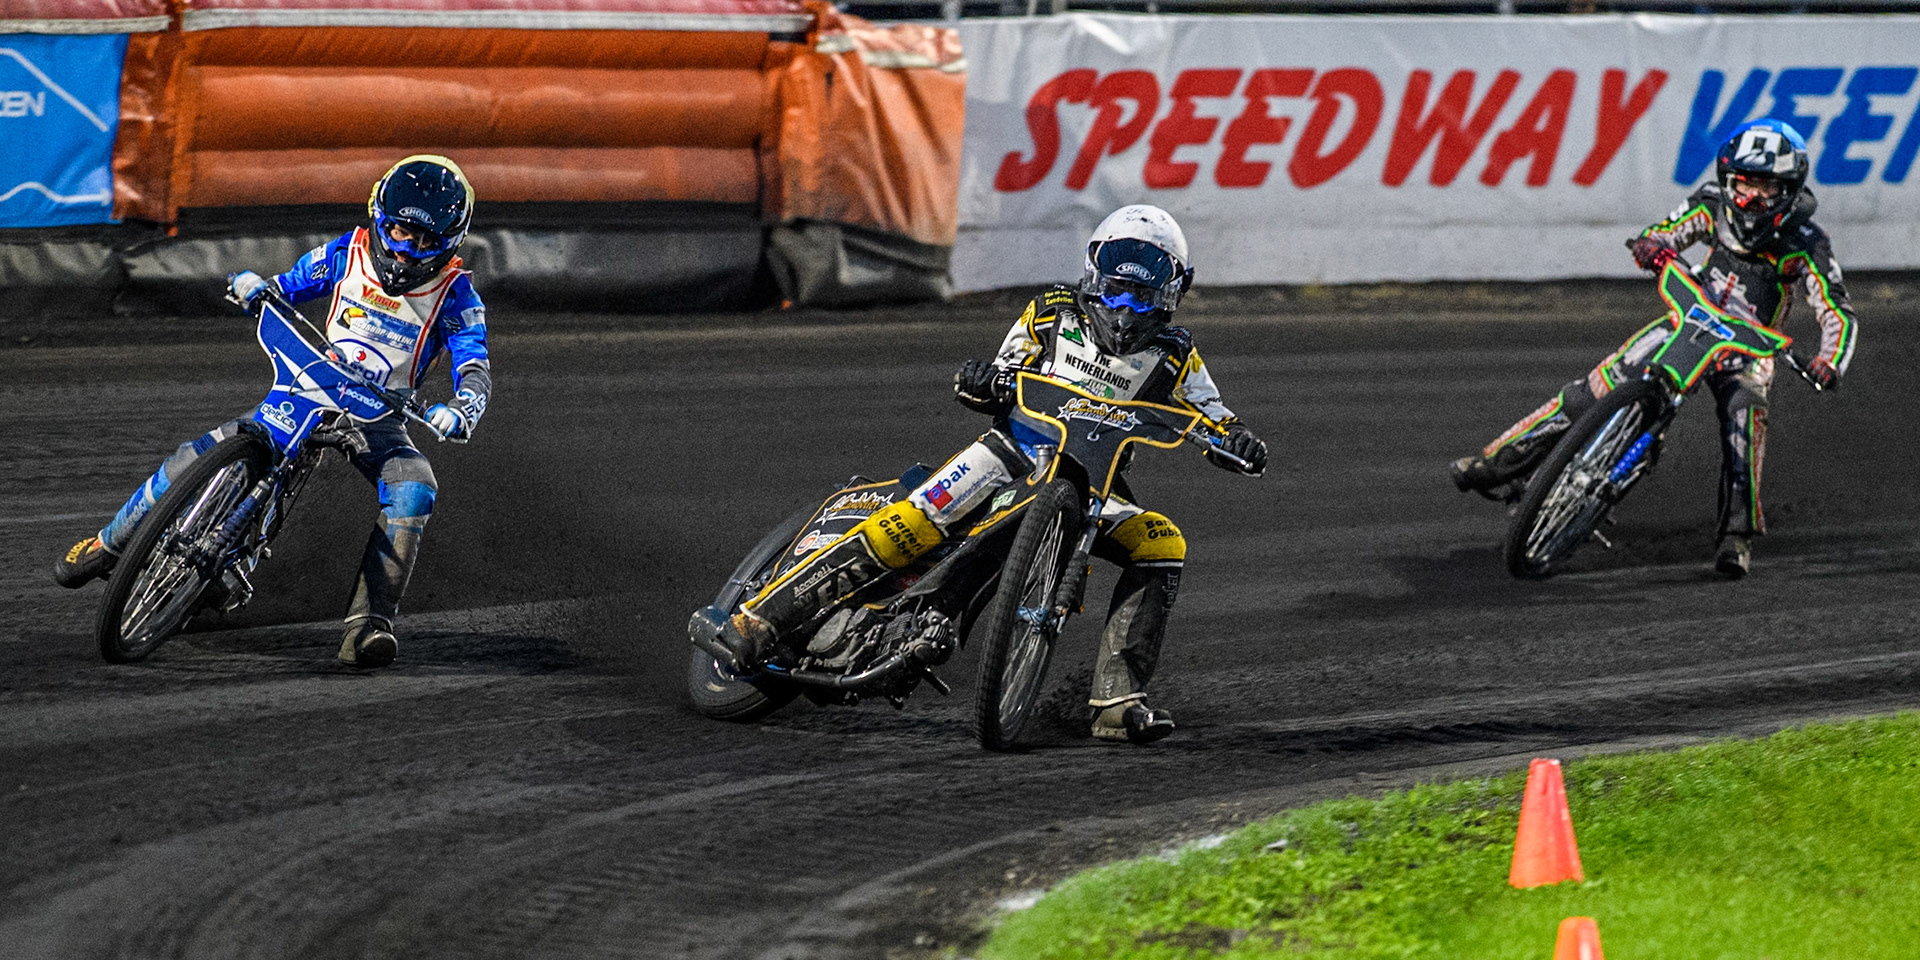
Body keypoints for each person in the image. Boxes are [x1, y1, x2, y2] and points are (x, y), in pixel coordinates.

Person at [713, 204, 1267, 743]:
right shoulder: (1053, 313)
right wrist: (984, 378)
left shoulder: (1177, 357)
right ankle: (762, 617)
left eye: (1141, 297)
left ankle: (1117, 704)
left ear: (1170, 296)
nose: (1123, 310)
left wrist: (1237, 442)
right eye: (1114, 290)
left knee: (1163, 542)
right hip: (1008, 453)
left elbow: (1215, 418)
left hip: (1096, 485)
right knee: (917, 520)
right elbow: (1002, 368)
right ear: (1093, 276)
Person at [55, 155, 491, 667]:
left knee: (415, 489)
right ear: (377, 216)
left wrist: (462, 409)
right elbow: (285, 289)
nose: (405, 249)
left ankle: (369, 625)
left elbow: (475, 367)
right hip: (304, 387)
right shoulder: (343, 255)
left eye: (424, 241)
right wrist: (254, 287)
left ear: (450, 243)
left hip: (377, 417)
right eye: (397, 231)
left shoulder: (459, 298)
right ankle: (109, 544)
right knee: (201, 452)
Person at [1449, 119, 1855, 578]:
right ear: (1728, 179)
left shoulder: (1809, 243)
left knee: (1745, 413)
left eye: (1765, 188)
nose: (1750, 198)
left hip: (1749, 345)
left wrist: (1829, 360)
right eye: (1743, 183)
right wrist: (1650, 245)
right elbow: (1666, 231)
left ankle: (1736, 537)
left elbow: (1836, 310)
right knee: (1595, 387)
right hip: (1691, 316)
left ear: (1789, 191)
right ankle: (1495, 462)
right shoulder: (1711, 203)